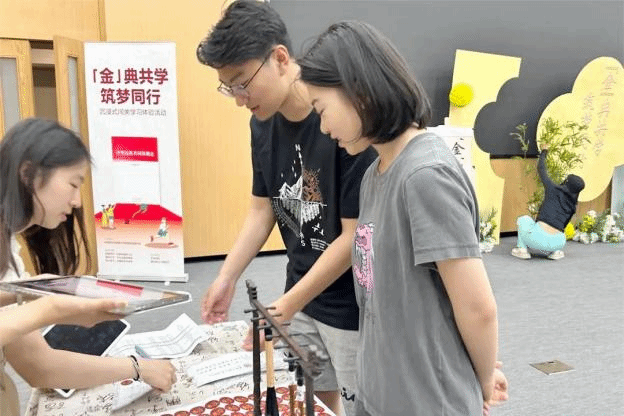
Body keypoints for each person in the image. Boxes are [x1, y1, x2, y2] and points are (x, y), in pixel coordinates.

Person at [298, 21, 508, 415]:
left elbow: (478, 307)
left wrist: (480, 382)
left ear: (359, 92)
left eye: (321, 109)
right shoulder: (374, 176)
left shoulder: (426, 176)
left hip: (428, 400)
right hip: (382, 390)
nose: (323, 128)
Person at [196, 2, 376, 414]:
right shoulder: (262, 123)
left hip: (352, 305)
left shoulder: (342, 120)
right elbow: (262, 209)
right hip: (300, 291)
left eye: (242, 83)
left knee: (362, 406)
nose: (239, 99)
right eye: (228, 88)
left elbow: (352, 238)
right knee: (315, 402)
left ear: (280, 58)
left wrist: (283, 309)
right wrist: (226, 276)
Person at [0, 118, 176, 415]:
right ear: (28, 174)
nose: (77, 202)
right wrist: (49, 306)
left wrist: (138, 368)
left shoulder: (9, 253)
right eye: (73, 184)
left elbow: (39, 365)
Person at [511, 143, 585, 260]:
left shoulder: (553, 188)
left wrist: (544, 151)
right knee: (559, 233)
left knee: (523, 220)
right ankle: (556, 252)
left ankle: (522, 250)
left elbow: (542, 170)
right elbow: (563, 226)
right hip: (558, 242)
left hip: (537, 239)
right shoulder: (573, 206)